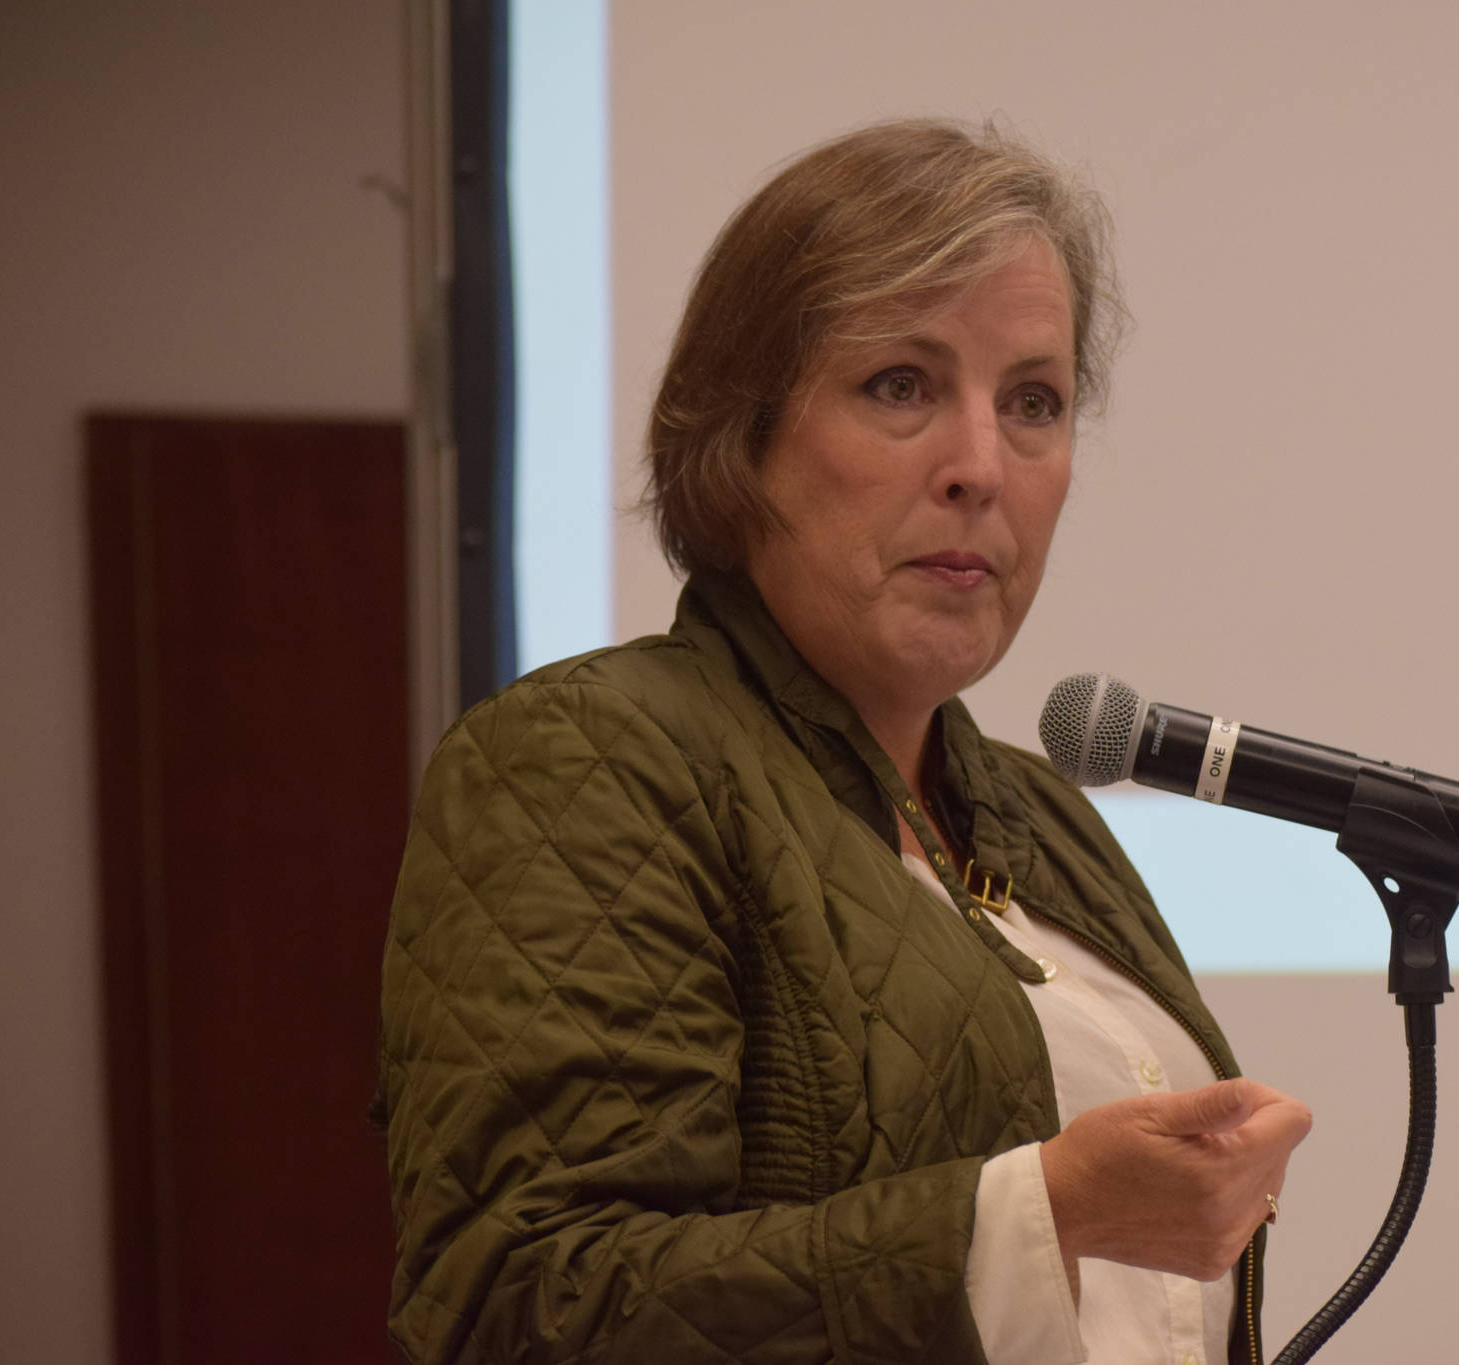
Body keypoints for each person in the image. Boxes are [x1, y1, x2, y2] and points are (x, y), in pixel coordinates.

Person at [378, 118, 1312, 1365]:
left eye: (1031, 401)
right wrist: (1043, 1213)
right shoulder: (587, 758)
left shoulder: (1044, 817)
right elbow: (524, 1301)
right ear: (741, 438)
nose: (980, 465)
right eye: (900, 386)